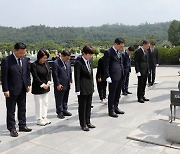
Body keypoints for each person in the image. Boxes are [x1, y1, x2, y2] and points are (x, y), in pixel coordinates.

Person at [1, 42, 32, 137]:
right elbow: (4, 76)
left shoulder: (25, 59)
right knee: (11, 110)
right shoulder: (7, 60)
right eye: (20, 53)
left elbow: (27, 73)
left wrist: (28, 84)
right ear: (15, 50)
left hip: (23, 88)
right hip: (11, 89)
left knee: (22, 108)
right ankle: (12, 128)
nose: (22, 55)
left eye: (24, 53)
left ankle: (22, 125)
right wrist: (5, 90)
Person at [74, 45, 95, 131]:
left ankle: (88, 121)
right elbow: (77, 77)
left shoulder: (89, 61)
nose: (91, 56)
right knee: (83, 107)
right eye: (89, 54)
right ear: (84, 53)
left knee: (88, 106)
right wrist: (77, 89)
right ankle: (83, 124)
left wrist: (92, 86)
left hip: (89, 87)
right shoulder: (79, 62)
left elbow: (91, 75)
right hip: (82, 88)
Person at [104, 38, 125, 118]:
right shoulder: (109, 52)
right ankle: (111, 110)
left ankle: (116, 107)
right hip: (113, 76)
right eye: (120, 46)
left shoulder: (119, 52)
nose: (121, 48)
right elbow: (106, 65)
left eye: (122, 46)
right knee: (112, 94)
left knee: (118, 93)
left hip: (120, 76)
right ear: (115, 44)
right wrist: (107, 76)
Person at [30, 50, 51, 126]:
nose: (45, 60)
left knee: (45, 102)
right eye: (44, 58)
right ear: (39, 57)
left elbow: (49, 73)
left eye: (46, 58)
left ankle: (44, 116)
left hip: (46, 86)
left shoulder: (46, 64)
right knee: (39, 103)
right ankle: (39, 118)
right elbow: (35, 76)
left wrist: (48, 82)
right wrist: (42, 85)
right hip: (38, 88)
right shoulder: (34, 65)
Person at [52, 50, 72, 119]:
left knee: (65, 97)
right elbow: (55, 75)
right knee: (59, 98)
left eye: (68, 58)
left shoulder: (68, 62)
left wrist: (70, 81)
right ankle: (59, 112)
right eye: (66, 58)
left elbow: (70, 72)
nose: (67, 60)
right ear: (62, 56)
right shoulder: (56, 63)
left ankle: (64, 109)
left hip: (67, 83)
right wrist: (57, 84)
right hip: (60, 84)